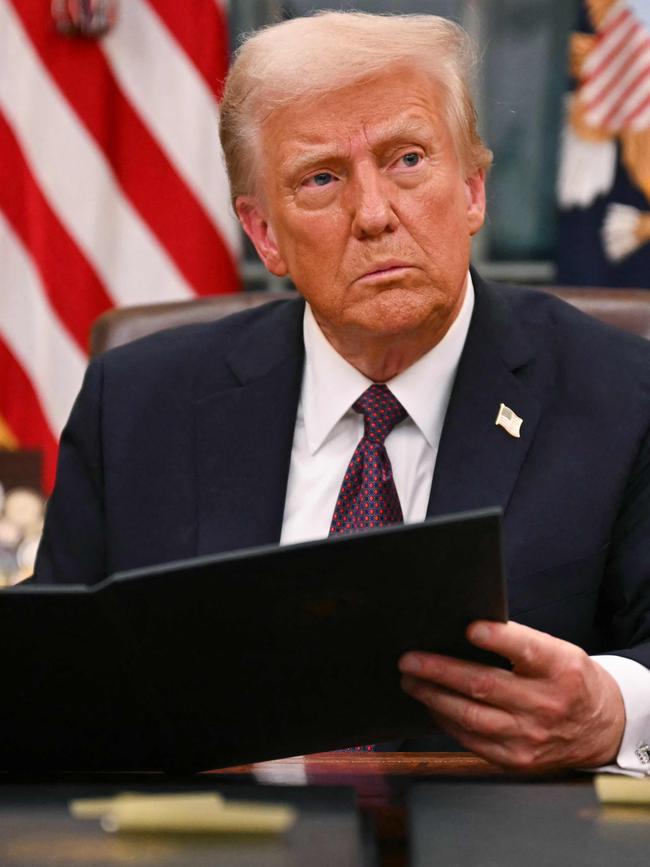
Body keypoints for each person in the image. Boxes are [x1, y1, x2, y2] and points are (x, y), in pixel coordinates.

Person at [33, 12, 650, 773]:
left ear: (472, 190)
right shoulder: (138, 405)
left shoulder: (624, 396)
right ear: (264, 235)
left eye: (409, 159)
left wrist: (614, 709)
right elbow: (48, 671)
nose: (374, 213)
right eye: (322, 177)